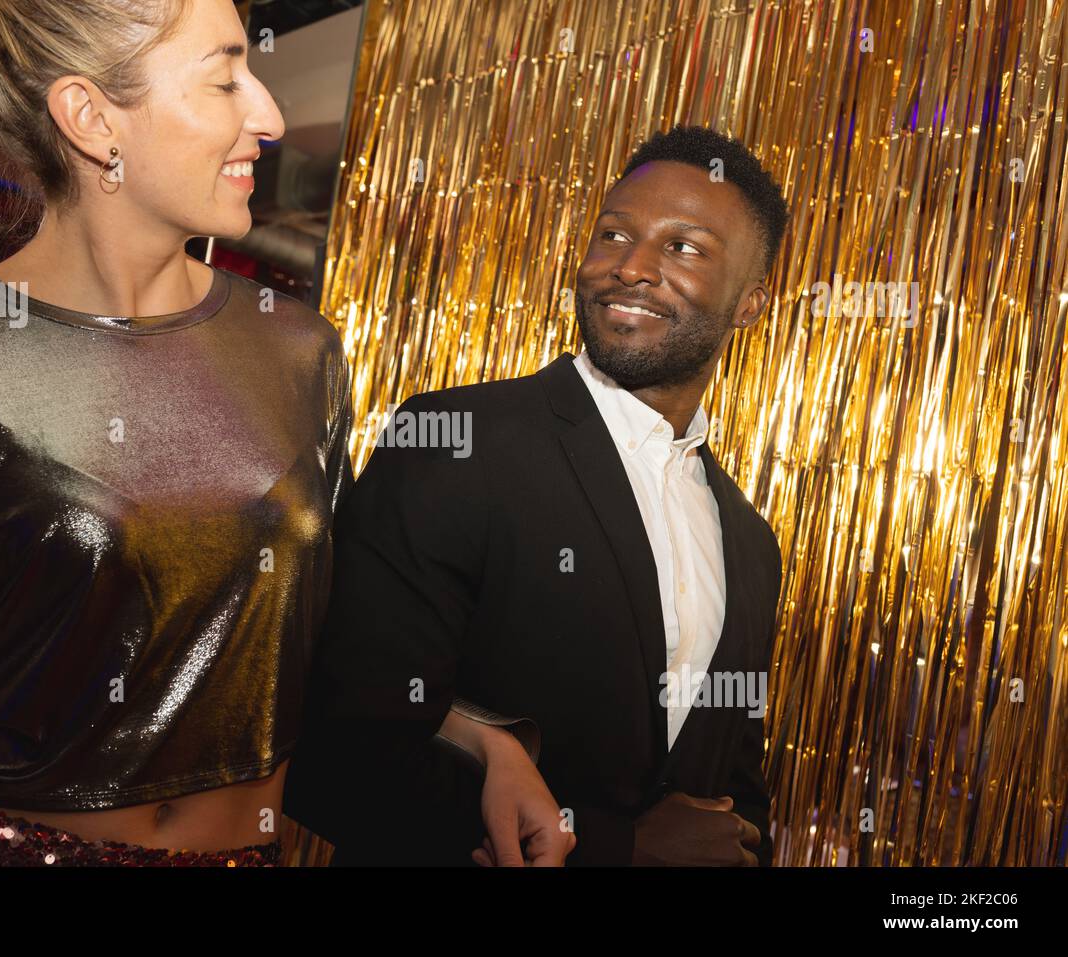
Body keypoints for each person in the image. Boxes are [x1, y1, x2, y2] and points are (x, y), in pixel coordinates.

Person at [0, 0, 374, 868]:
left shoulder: (301, 349)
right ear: (92, 118)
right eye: (226, 77)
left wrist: (479, 733)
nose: (270, 116)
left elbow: (333, 642)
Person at [285, 125, 789, 866]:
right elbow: (337, 750)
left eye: (684, 247)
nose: (632, 267)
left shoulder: (750, 542)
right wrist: (617, 852)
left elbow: (734, 799)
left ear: (750, 302)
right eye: (615, 233)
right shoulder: (455, 441)